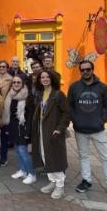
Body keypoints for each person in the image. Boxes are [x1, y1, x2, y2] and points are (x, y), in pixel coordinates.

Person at [68, 61, 107, 202]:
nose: (85, 72)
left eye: (88, 69)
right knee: (83, 156)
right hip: (80, 129)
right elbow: (70, 107)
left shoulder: (102, 88)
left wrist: (101, 121)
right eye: (82, 70)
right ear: (80, 71)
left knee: (105, 157)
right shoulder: (74, 87)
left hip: (97, 129)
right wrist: (76, 121)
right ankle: (86, 180)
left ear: (93, 70)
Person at [32, 70, 70, 199]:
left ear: (52, 78)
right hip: (42, 130)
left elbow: (66, 113)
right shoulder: (42, 93)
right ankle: (53, 182)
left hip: (53, 131)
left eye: (47, 77)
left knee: (55, 158)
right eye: (42, 77)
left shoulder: (58, 94)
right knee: (45, 156)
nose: (45, 79)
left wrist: (59, 129)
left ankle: (60, 186)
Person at [5, 75, 36, 184]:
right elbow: (9, 114)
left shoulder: (28, 96)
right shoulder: (10, 95)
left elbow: (30, 116)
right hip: (13, 128)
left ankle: (32, 174)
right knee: (17, 151)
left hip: (24, 128)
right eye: (14, 82)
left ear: (22, 83)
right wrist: (8, 128)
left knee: (23, 151)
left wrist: (28, 132)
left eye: (18, 82)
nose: (16, 84)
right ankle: (23, 170)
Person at [0, 60, 13, 167]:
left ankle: (3, 157)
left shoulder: (10, 79)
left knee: (3, 135)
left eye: (4, 66)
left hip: (5, 109)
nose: (1, 68)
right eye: (0, 66)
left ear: (7, 68)